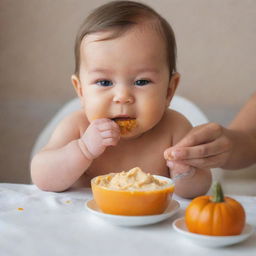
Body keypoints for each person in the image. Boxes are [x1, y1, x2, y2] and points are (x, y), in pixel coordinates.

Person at [31, 1, 212, 198]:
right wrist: (84, 149)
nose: (122, 97)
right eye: (104, 82)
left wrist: (185, 172)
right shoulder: (78, 127)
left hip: (152, 224)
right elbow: (42, 178)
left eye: (141, 81)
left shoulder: (175, 129)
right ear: (81, 90)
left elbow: (197, 190)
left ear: (169, 91)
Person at [165, 92, 256, 171]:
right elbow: (250, 137)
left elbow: (201, 185)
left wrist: (186, 174)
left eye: (150, 81)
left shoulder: (177, 122)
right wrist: (229, 145)